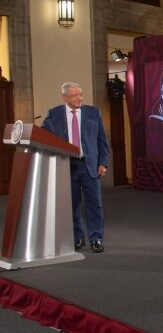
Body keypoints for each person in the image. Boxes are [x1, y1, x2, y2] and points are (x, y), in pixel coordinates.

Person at [42, 81, 109, 252]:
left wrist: (103, 162)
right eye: (75, 95)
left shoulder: (94, 113)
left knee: (95, 204)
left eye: (81, 94)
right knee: (71, 206)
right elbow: (43, 137)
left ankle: (96, 238)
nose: (80, 98)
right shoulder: (54, 114)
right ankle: (77, 238)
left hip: (90, 166)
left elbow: (102, 140)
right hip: (66, 166)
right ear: (64, 97)